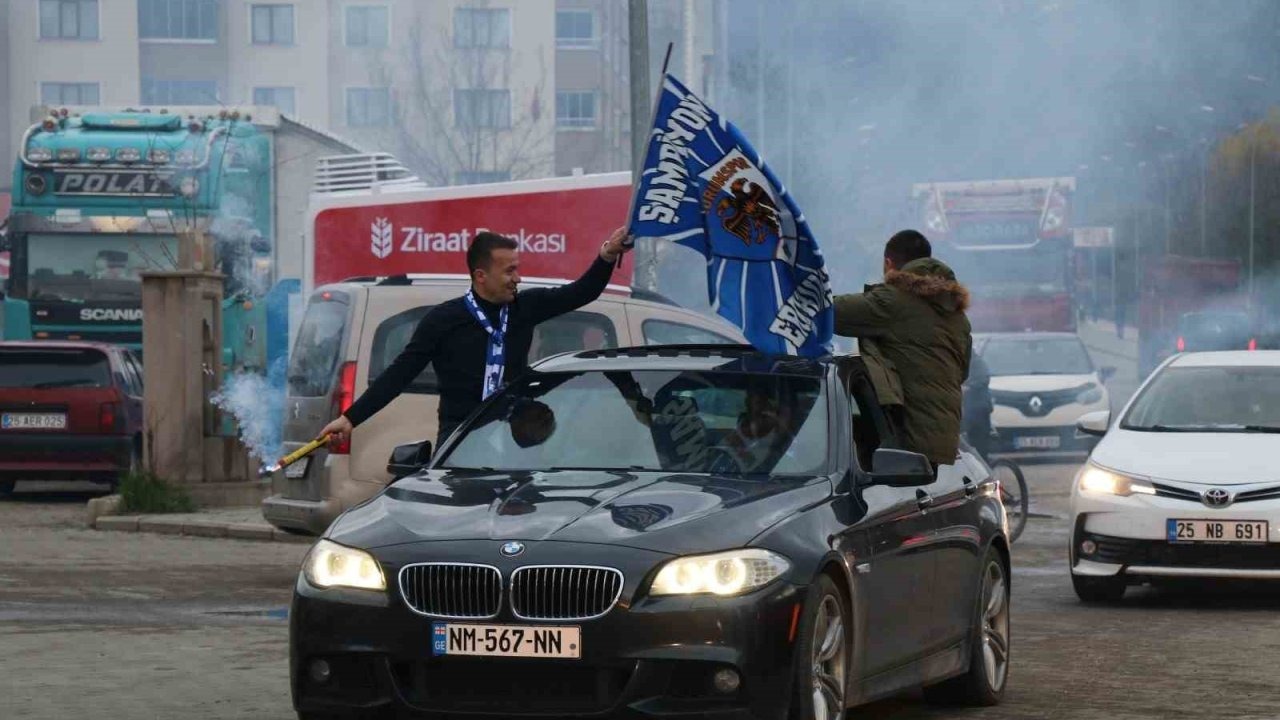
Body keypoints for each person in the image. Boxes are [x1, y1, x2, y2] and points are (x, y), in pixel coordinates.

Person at [320, 228, 632, 450]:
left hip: (515, 441)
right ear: (481, 276)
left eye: (517, 269)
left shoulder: (524, 307)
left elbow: (581, 292)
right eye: (509, 271)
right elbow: (399, 375)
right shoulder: (443, 320)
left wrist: (606, 255)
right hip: (459, 441)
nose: (518, 278)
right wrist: (350, 419)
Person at [831, 229, 972, 469]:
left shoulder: (894, 300)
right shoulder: (956, 314)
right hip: (940, 442)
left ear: (889, 264)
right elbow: (963, 371)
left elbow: (829, 313)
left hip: (906, 440)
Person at [962, 349, 994, 463]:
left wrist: (968, 387)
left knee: (980, 446)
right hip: (968, 411)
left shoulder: (976, 362)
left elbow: (983, 379)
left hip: (979, 410)